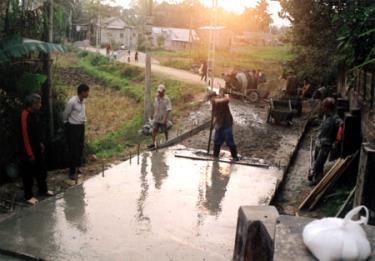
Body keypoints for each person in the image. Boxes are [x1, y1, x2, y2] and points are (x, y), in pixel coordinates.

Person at [19, 94, 53, 205]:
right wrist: (30, 153)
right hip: (27, 149)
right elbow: (25, 136)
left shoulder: (35, 114)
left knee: (41, 169)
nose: (40, 105)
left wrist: (40, 143)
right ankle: (28, 196)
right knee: (28, 173)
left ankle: (42, 190)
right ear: (32, 104)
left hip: (37, 147)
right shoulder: (25, 115)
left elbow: (37, 132)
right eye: (38, 103)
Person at [308, 97, 343, 185]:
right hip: (319, 142)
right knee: (316, 161)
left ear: (328, 108)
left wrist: (337, 141)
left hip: (326, 146)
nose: (322, 108)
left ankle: (316, 180)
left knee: (318, 164)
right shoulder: (325, 116)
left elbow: (341, 126)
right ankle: (317, 178)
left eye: (324, 106)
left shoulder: (335, 118)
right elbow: (322, 127)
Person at [63, 84, 90, 180]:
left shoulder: (83, 101)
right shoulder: (72, 102)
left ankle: (77, 168)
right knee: (73, 149)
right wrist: (67, 124)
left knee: (80, 147)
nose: (88, 93)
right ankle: (71, 172)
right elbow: (65, 114)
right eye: (87, 92)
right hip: (73, 127)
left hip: (81, 126)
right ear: (82, 92)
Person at [208, 92, 239, 161]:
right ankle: (215, 156)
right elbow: (215, 116)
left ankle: (235, 157)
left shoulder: (222, 101)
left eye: (211, 99)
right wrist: (213, 124)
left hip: (227, 123)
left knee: (229, 140)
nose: (210, 101)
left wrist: (217, 99)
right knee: (217, 140)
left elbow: (227, 99)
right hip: (219, 124)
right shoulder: (213, 104)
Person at [147, 84, 172, 149]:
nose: (159, 93)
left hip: (163, 117)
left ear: (164, 91)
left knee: (165, 129)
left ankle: (167, 140)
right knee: (154, 130)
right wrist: (153, 115)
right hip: (156, 117)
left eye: (161, 92)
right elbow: (155, 107)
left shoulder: (166, 99)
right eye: (159, 92)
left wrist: (165, 119)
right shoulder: (156, 98)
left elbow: (168, 109)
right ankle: (153, 143)